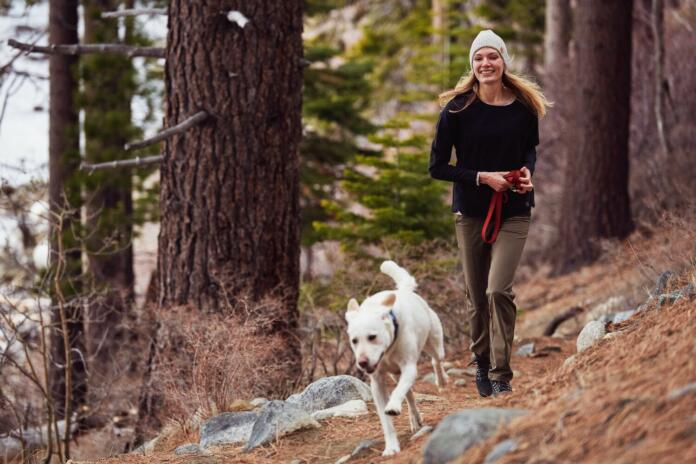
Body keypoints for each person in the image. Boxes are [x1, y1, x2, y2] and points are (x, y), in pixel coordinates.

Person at [428, 30, 550, 397]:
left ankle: (501, 375)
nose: (486, 64)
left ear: (503, 60)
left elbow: (529, 151)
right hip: (470, 211)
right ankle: (480, 361)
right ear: (472, 65)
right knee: (477, 296)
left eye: (492, 57)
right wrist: (482, 178)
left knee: (499, 290)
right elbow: (437, 167)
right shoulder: (456, 111)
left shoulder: (524, 108)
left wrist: (527, 173)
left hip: (514, 210)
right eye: (479, 58)